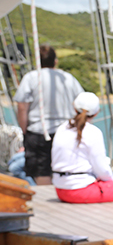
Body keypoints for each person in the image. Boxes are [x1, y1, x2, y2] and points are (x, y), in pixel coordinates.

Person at [51, 92, 113, 204]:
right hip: (80, 191)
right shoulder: (93, 132)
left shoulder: (62, 128)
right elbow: (101, 167)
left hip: (61, 189)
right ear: (96, 113)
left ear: (74, 108)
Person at [13, 45, 84, 185]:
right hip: (65, 133)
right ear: (55, 61)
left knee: (41, 172)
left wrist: (25, 131)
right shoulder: (68, 78)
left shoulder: (31, 78)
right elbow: (81, 104)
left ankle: (46, 201)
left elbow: (22, 107)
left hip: (38, 133)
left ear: (37, 61)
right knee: (64, 169)